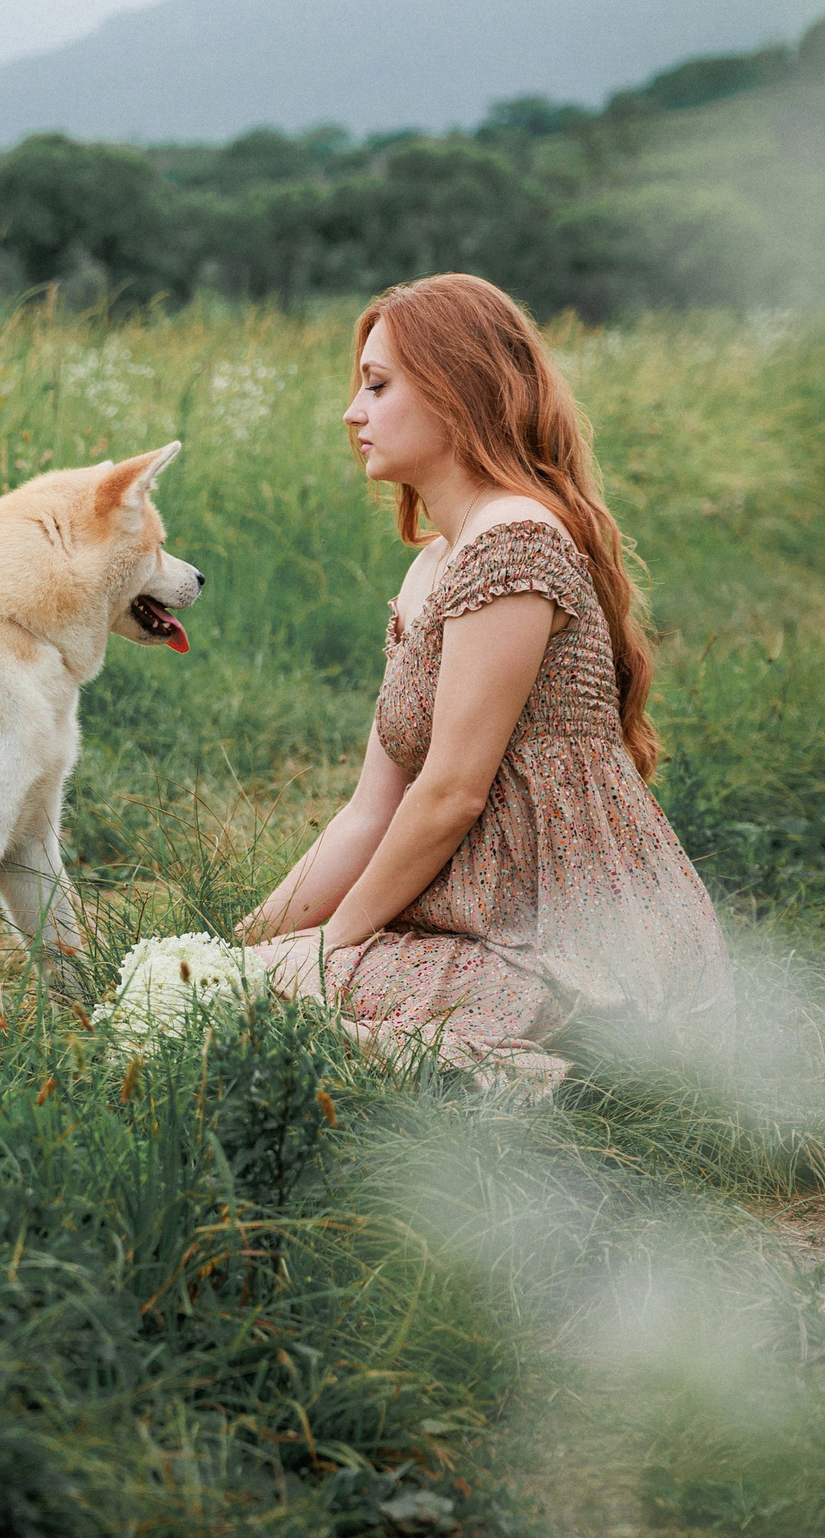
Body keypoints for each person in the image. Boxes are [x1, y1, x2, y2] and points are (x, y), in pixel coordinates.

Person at [238, 273, 731, 1096]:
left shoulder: (516, 542)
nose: (353, 412)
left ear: (457, 390)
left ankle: (558, 1076)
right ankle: (508, 1076)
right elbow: (373, 807)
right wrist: (247, 942)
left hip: (571, 948)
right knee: (231, 989)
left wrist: (327, 951)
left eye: (378, 385)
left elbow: (452, 794)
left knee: (265, 1009)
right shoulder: (436, 562)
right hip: (477, 929)